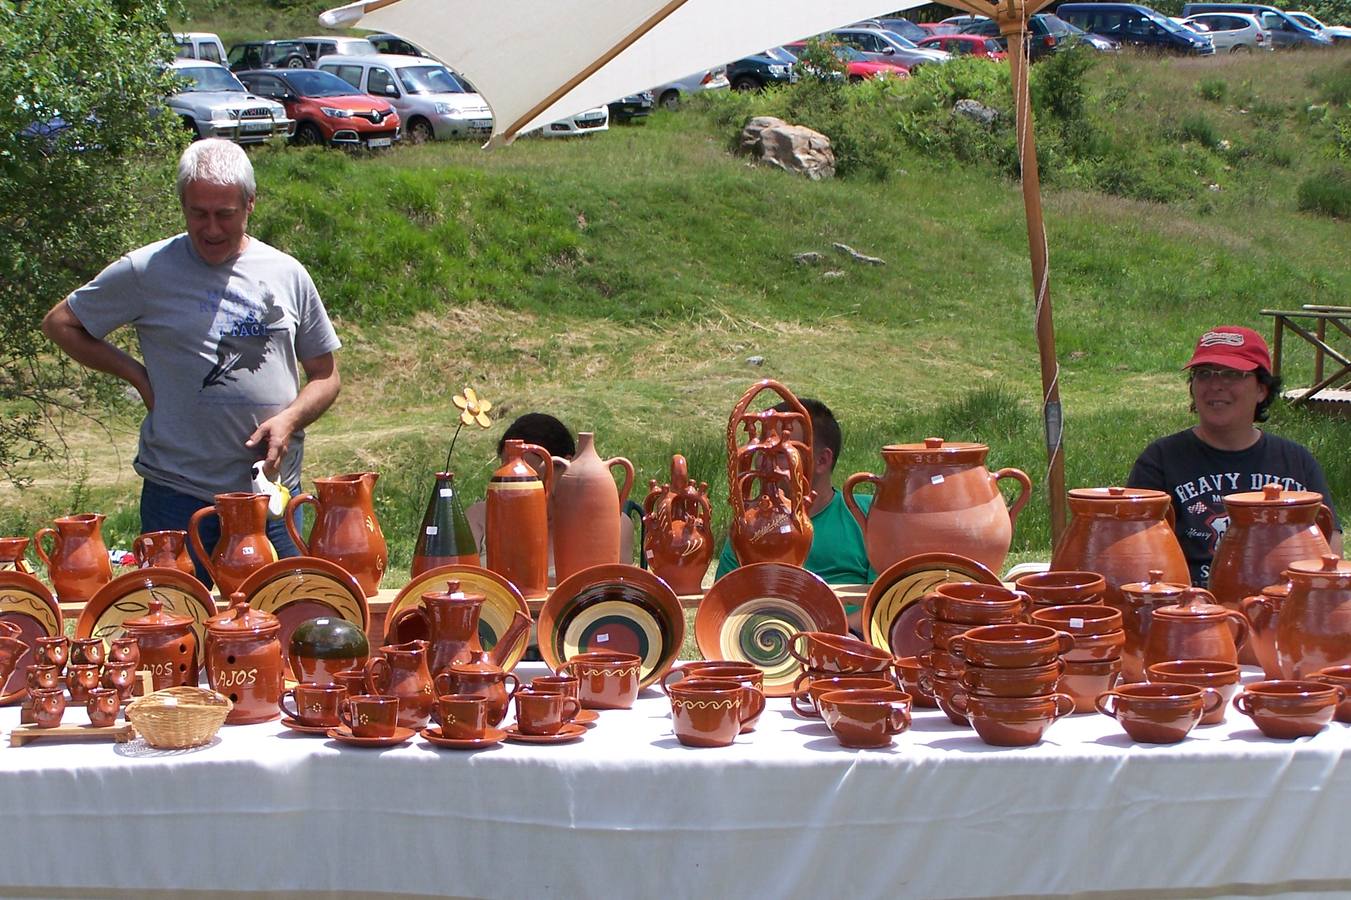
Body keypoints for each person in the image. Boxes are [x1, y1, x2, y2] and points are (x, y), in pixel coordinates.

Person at [41, 139, 342, 584]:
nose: (212, 228)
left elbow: (326, 375)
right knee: (175, 630)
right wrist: (139, 377)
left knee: (279, 627)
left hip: (269, 498)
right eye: (198, 213)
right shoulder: (147, 271)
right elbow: (61, 324)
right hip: (178, 495)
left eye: (226, 214)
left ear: (250, 204)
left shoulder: (286, 273)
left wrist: (291, 419)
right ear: (182, 205)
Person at [1127, 325, 1342, 587]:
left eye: (1232, 374)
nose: (1216, 385)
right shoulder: (1161, 460)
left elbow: (1330, 549)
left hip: (1280, 609)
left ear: (1262, 389)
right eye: (1204, 374)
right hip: (1192, 613)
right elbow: (1135, 552)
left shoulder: (1295, 462)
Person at [716, 398, 875, 620]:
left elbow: (884, 607)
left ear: (822, 460)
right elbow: (722, 608)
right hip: (762, 641)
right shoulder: (750, 525)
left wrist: (822, 637)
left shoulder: (866, 514)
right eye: (761, 453)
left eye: (780, 454)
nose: (764, 464)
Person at [466, 413, 635, 565]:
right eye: (506, 477)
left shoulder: (612, 525)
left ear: (562, 466)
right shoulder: (479, 518)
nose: (514, 489)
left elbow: (613, 590)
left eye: (529, 480)